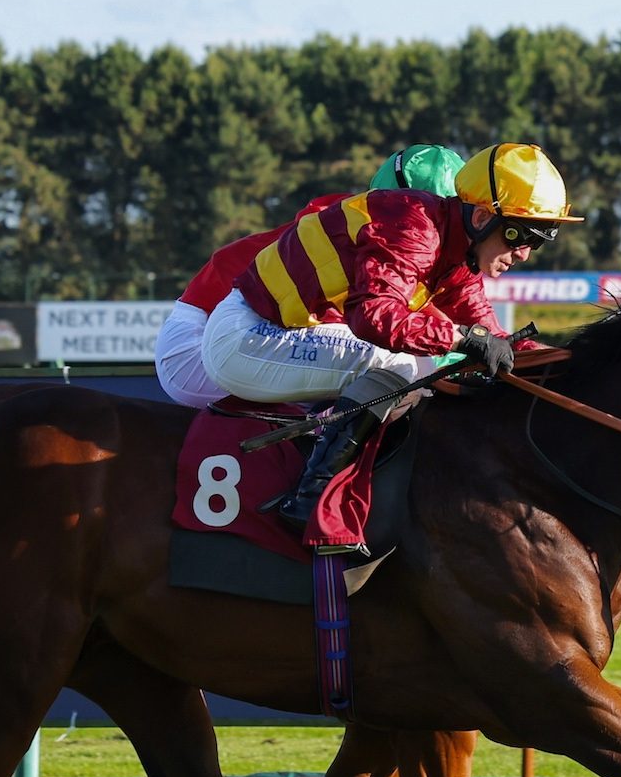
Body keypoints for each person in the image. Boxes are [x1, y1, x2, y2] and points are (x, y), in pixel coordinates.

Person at [200, 142, 581, 548]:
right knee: (405, 365)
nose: (523, 253)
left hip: (285, 331)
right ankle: (310, 496)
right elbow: (373, 317)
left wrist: (572, 364)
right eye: (518, 235)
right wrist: (460, 338)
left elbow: (493, 337)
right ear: (484, 216)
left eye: (537, 242)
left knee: (424, 364)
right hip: (246, 337)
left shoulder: (455, 252)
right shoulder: (414, 225)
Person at [152, 145, 467, 407]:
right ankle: (325, 474)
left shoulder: (371, 218)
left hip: (234, 326)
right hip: (201, 341)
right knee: (408, 368)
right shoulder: (375, 230)